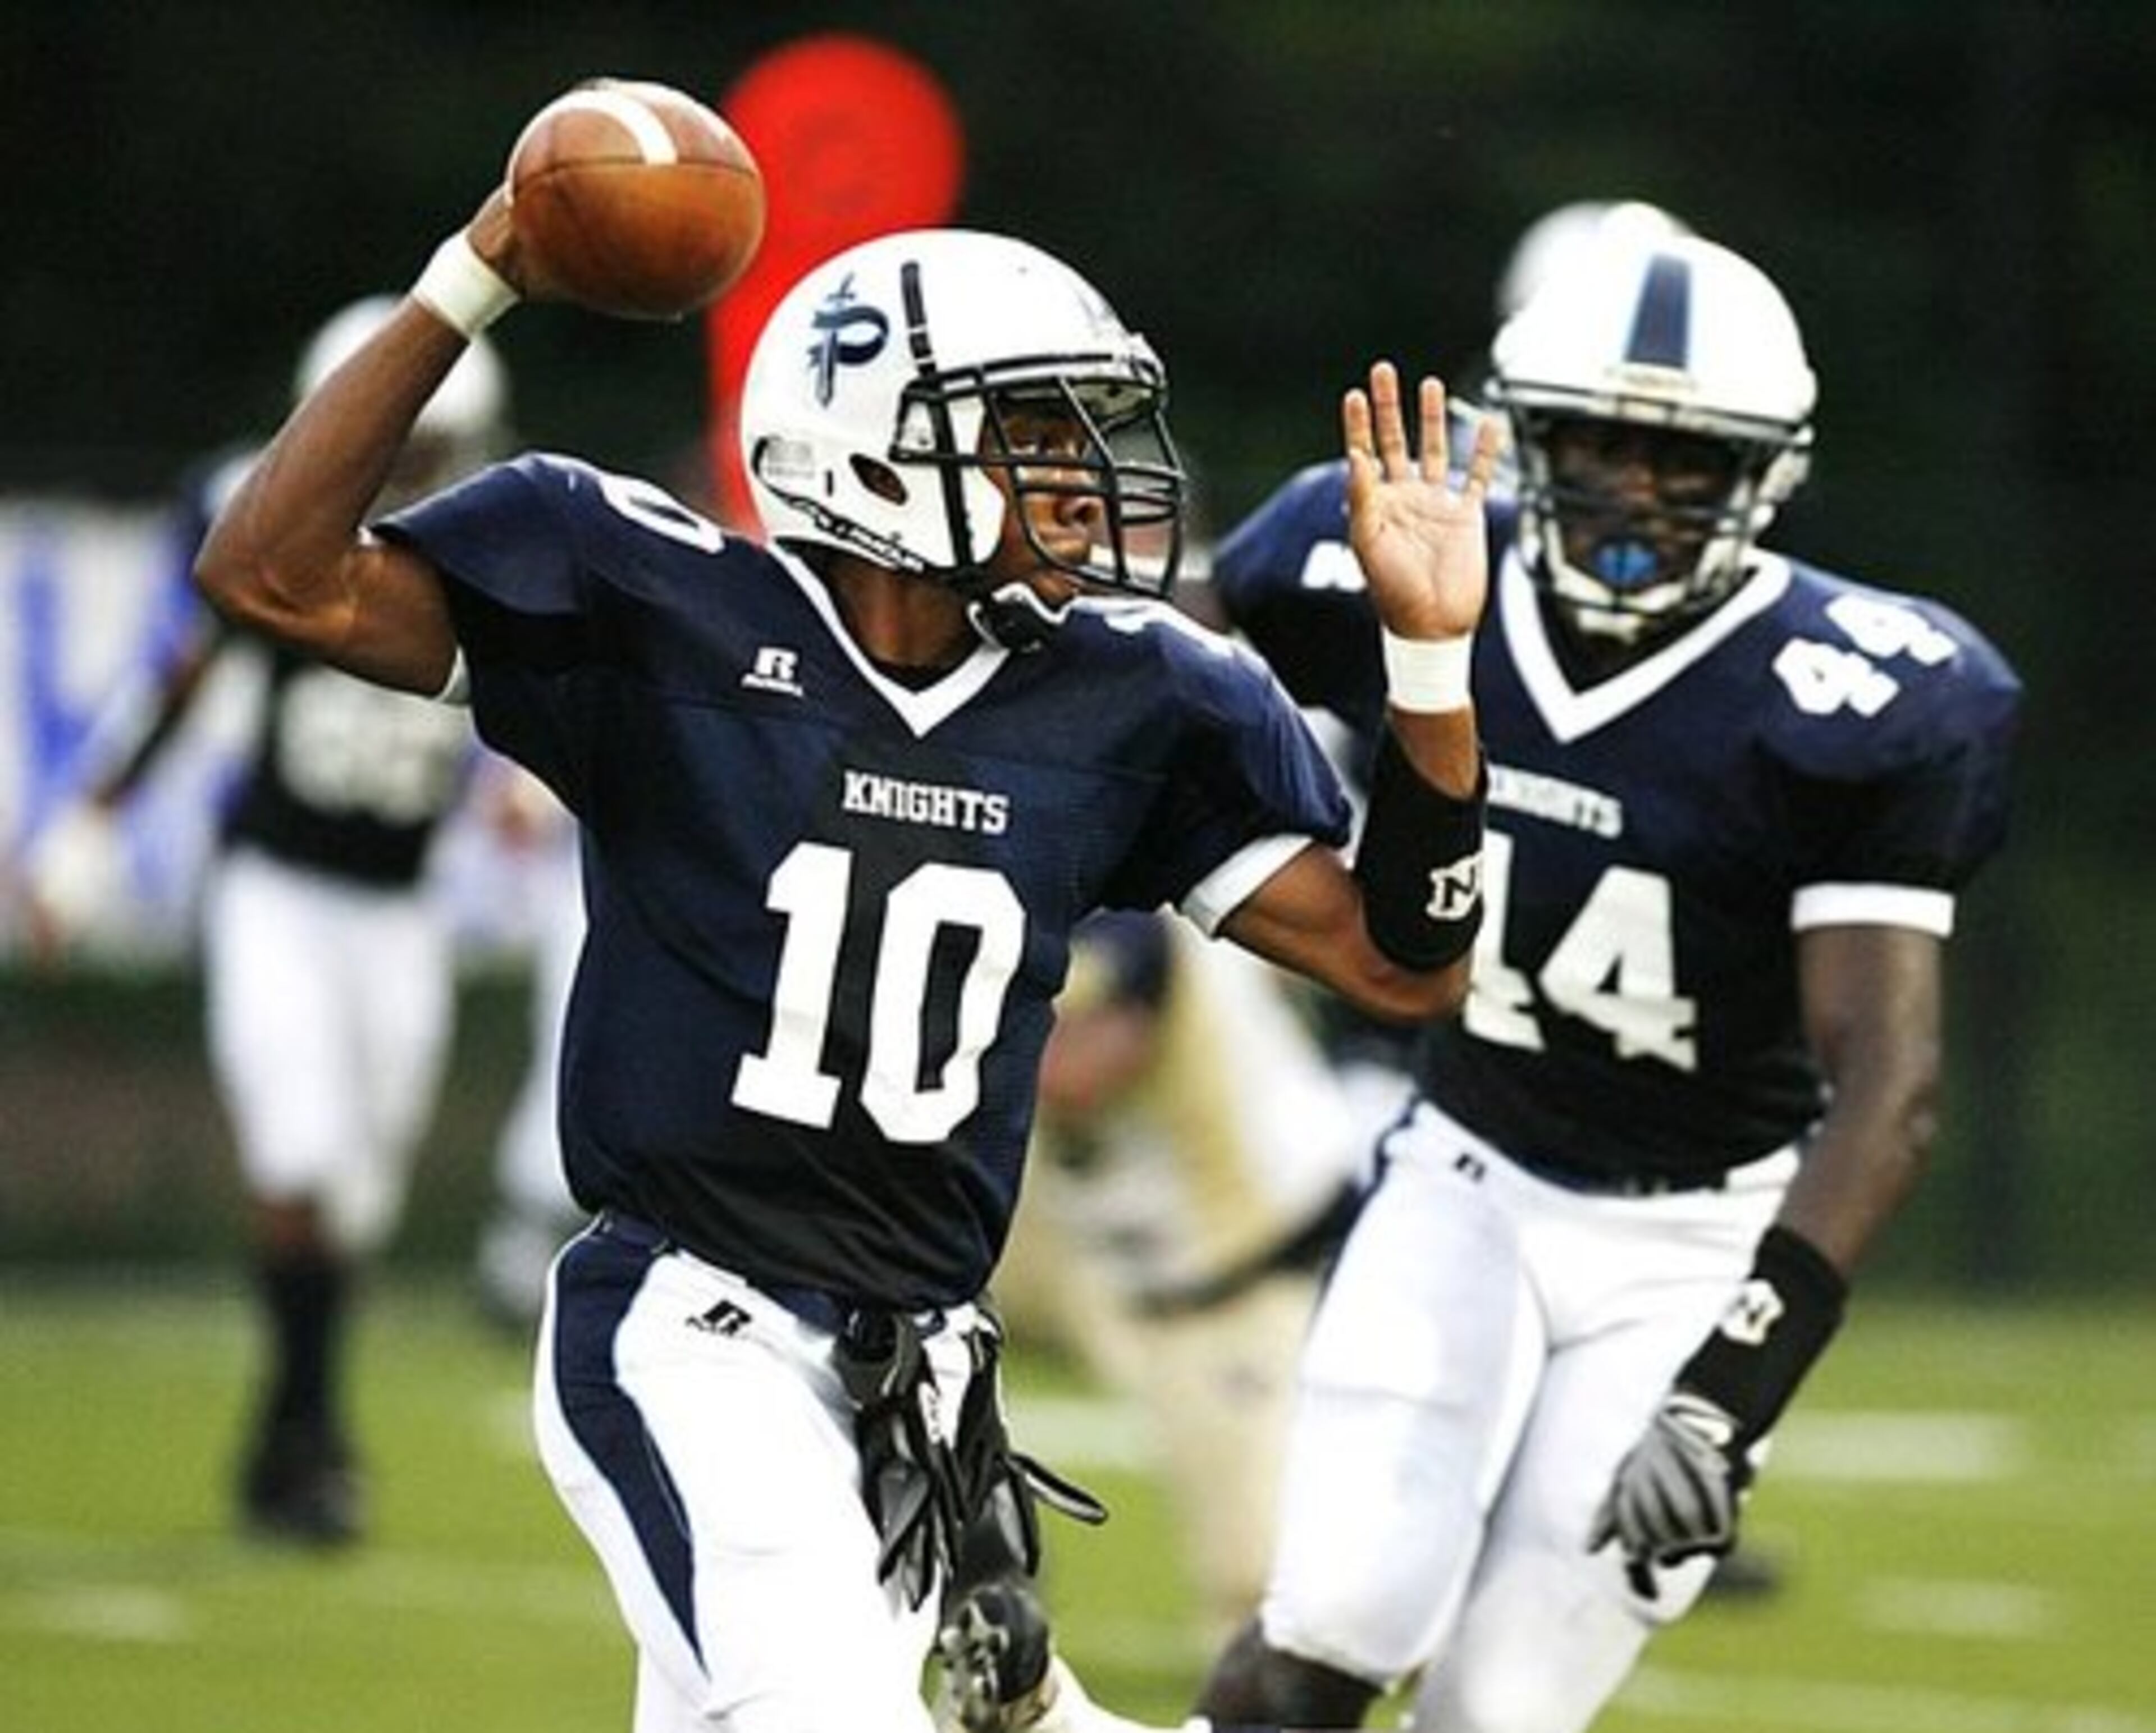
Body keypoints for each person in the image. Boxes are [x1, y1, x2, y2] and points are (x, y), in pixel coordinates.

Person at [188, 116, 1499, 1733]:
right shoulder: (663, 609)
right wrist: (476, 279)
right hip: (696, 1326)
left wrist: (1431, 670)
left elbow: (1403, 961)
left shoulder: (1135, 695)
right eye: (1031, 433)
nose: (1082, 481)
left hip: (918, 1382)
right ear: (877, 455)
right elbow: (274, 575)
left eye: (1084, 433)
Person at [1182, 226, 2021, 1733]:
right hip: (1467, 1171)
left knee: (1502, 1709)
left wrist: (1735, 1383)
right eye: (1602, 445)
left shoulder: (1866, 695)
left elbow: (1887, 1086)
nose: (1637, 491)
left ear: (1768, 472)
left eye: (1687, 460)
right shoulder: (1372, 556)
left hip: (1698, 1235)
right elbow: (1143, 677)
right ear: (1526, 435)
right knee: (1339, 1619)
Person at [20, 297, 508, 1545]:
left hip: (402, 912)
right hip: (278, 889)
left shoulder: (498, 548)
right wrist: (88, 831)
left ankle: (295, 1424)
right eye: (397, 442)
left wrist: (534, 793)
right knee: (296, 1157)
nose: (413, 472)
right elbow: (183, 676)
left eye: (432, 449)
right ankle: (306, 1436)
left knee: (359, 1200)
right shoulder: (294, 533)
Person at [992, 906, 1368, 1640]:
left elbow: (1079, 1068)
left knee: (1261, 1572)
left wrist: (957, 1039)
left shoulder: (1128, 928)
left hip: (1252, 1262)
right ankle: (975, 1541)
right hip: (1137, 1260)